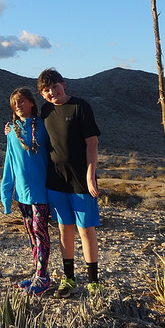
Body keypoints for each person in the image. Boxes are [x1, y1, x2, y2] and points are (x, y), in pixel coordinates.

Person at [37, 68, 102, 296]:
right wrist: (9, 129)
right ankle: (69, 278)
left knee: (86, 229)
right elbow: (25, 124)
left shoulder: (80, 107)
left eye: (55, 87)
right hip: (55, 181)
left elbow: (92, 144)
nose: (52, 92)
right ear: (43, 94)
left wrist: (90, 175)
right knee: (65, 229)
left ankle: (93, 281)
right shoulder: (45, 111)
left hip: (81, 181)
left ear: (64, 85)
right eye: (46, 90)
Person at [0, 87, 53, 296]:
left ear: (32, 102)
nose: (18, 106)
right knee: (31, 234)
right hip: (22, 193)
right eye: (14, 103)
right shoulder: (12, 130)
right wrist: (6, 195)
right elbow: (9, 163)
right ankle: (39, 273)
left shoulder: (44, 125)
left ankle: (42, 277)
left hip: (42, 190)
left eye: (22, 101)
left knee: (41, 232)